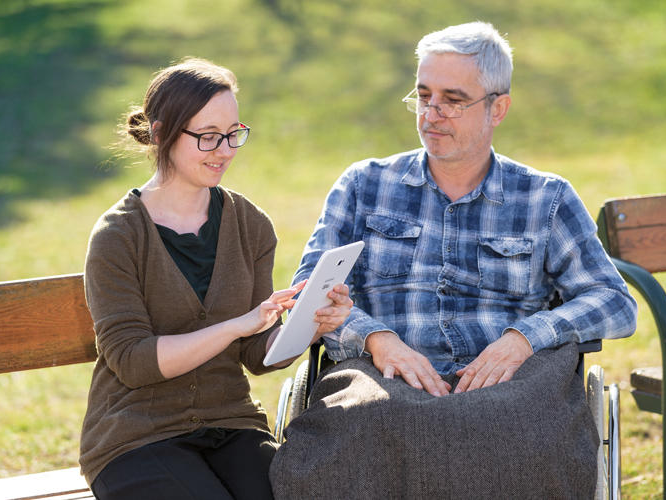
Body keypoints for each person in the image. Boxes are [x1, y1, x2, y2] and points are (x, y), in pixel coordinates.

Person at [270, 22, 637, 499]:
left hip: (507, 383)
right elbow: (309, 296)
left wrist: (524, 338)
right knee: (371, 417)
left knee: (512, 430)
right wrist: (376, 338)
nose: (431, 113)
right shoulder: (363, 186)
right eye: (423, 96)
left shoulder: (546, 198)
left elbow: (613, 302)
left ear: (497, 108)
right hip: (381, 376)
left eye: (453, 99)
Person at [78, 58, 352, 500]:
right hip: (135, 434)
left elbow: (256, 356)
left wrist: (310, 326)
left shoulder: (250, 225)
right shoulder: (118, 236)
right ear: (163, 132)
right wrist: (236, 325)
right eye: (207, 137)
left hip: (233, 422)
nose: (224, 150)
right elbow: (132, 362)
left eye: (233, 134)